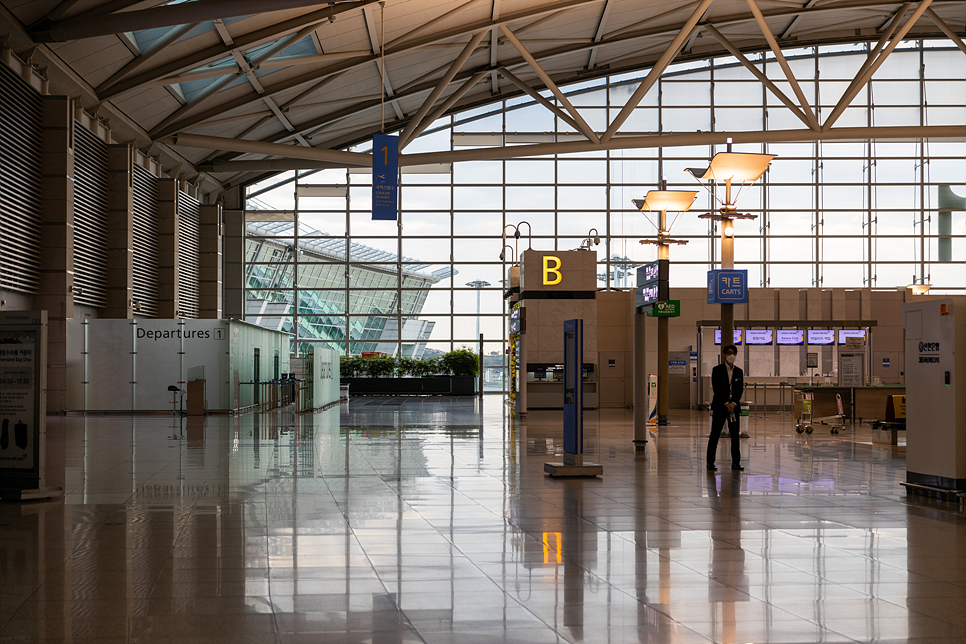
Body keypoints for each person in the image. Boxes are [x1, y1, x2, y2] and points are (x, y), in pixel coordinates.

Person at [708, 344, 744, 471]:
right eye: (729, 353)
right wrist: (726, 403)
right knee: (715, 434)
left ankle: (736, 463)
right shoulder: (716, 370)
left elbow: (739, 390)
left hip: (733, 408)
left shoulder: (739, 371)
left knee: (735, 436)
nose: (731, 356)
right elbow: (716, 389)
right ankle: (710, 462)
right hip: (720, 406)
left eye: (734, 353)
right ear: (724, 355)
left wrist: (733, 403)